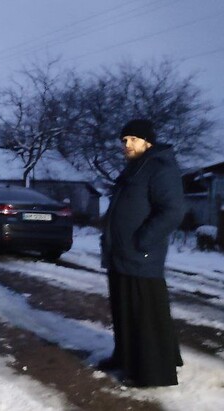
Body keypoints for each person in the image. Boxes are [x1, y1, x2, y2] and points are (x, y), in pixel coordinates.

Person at [100, 119, 185, 387]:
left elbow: (173, 210)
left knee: (145, 316)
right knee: (125, 312)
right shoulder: (135, 168)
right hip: (121, 254)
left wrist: (144, 240)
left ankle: (151, 373)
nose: (127, 144)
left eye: (133, 139)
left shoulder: (159, 167)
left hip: (141, 255)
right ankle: (125, 358)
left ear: (148, 142)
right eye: (124, 140)